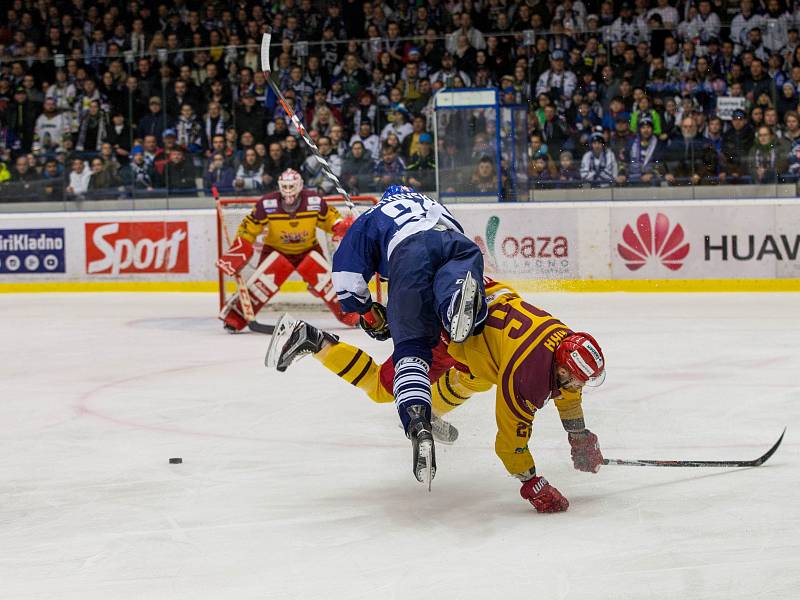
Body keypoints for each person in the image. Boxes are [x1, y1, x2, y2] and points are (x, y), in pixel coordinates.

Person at [268, 278, 606, 513]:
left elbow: (566, 390)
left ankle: (428, 410)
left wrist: (578, 435)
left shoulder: (563, 338)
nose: (576, 386)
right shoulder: (526, 377)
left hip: (474, 303)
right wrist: (532, 483)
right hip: (446, 332)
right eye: (575, 379)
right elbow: (509, 444)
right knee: (380, 388)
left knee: (478, 377)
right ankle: (310, 338)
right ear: (562, 368)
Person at [327, 185, 488, 487]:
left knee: (411, 351)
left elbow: (347, 280)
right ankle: (456, 307)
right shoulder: (430, 203)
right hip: (459, 244)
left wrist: (367, 311)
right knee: (454, 287)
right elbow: (442, 242)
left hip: (410, 254)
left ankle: (417, 423)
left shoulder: (373, 215)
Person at [216, 168, 358, 332]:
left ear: (300, 185)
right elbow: (249, 227)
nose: (288, 190)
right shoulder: (267, 203)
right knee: (260, 286)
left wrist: (340, 225)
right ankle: (234, 318)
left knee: (328, 284)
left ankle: (352, 315)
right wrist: (240, 247)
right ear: (279, 186)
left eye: (292, 186)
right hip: (276, 250)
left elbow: (331, 219)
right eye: (285, 186)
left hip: (307, 250)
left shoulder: (314, 201)